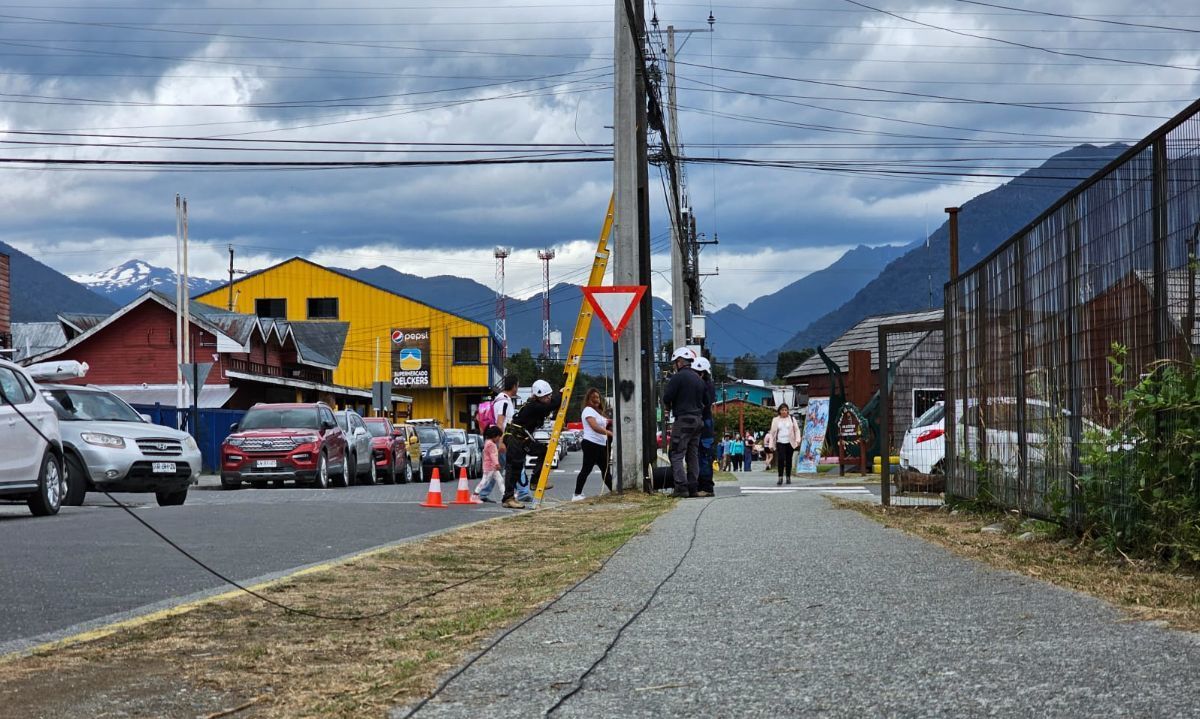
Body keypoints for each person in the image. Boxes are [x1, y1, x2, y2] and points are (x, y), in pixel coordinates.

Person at [502, 379, 561, 509]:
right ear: (538, 396)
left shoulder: (538, 405)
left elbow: (549, 405)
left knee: (543, 451)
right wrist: (561, 395)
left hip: (523, 438)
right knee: (514, 468)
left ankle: (535, 481)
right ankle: (508, 498)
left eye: (549, 395)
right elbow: (551, 405)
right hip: (515, 438)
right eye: (546, 396)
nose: (549, 398)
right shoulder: (534, 406)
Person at [662, 347, 705, 497]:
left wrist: (669, 406)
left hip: (684, 419)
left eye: (675, 363)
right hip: (698, 420)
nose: (674, 365)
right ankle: (693, 487)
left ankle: (681, 487)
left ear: (680, 362)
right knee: (692, 454)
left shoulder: (677, 377)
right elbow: (705, 401)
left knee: (676, 452)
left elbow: (667, 397)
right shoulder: (698, 379)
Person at [573, 388, 613, 500]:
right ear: (588, 399)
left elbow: (606, 422)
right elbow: (594, 426)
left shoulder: (598, 413)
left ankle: (614, 491)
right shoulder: (588, 410)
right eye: (593, 397)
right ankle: (576, 494)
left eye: (598, 397)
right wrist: (608, 432)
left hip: (600, 445)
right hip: (591, 444)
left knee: (606, 471)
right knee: (586, 469)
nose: (596, 399)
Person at [691, 357, 717, 497]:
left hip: (704, 423)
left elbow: (704, 404)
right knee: (699, 454)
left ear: (702, 373)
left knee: (704, 455)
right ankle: (700, 485)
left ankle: (706, 487)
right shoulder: (708, 385)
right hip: (705, 422)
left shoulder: (706, 386)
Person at [767, 403, 802, 485]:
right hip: (780, 442)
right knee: (781, 459)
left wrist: (798, 440)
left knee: (789, 460)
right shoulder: (775, 420)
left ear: (788, 411)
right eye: (782, 410)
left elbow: (796, 430)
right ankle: (780, 477)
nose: (784, 411)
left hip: (790, 442)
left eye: (786, 410)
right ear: (779, 411)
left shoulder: (792, 419)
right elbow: (772, 433)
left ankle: (788, 477)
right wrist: (771, 445)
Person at [473, 425, 505, 502]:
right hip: (490, 467)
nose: (499, 439)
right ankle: (475, 495)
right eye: (498, 437)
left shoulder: (488, 442)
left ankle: (505, 495)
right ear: (494, 436)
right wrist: (497, 464)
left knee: (500, 480)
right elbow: (492, 455)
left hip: (492, 467)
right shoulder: (491, 444)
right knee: (485, 481)